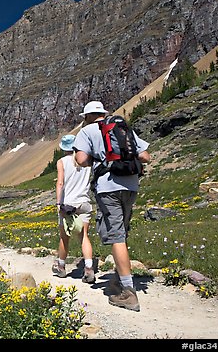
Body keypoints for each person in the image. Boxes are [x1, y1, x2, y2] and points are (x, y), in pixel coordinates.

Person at [73, 101, 150, 312]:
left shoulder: (88, 131)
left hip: (108, 187)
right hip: (131, 184)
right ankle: (119, 277)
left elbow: (80, 160)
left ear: (88, 116)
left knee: (116, 236)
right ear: (103, 114)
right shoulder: (122, 128)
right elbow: (145, 156)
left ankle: (128, 292)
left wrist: (100, 160)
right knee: (122, 231)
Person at [53, 134, 96, 284]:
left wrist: (59, 204)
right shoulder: (86, 161)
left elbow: (60, 183)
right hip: (84, 202)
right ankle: (89, 268)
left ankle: (61, 266)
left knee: (65, 237)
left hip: (68, 205)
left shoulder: (62, 162)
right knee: (84, 236)